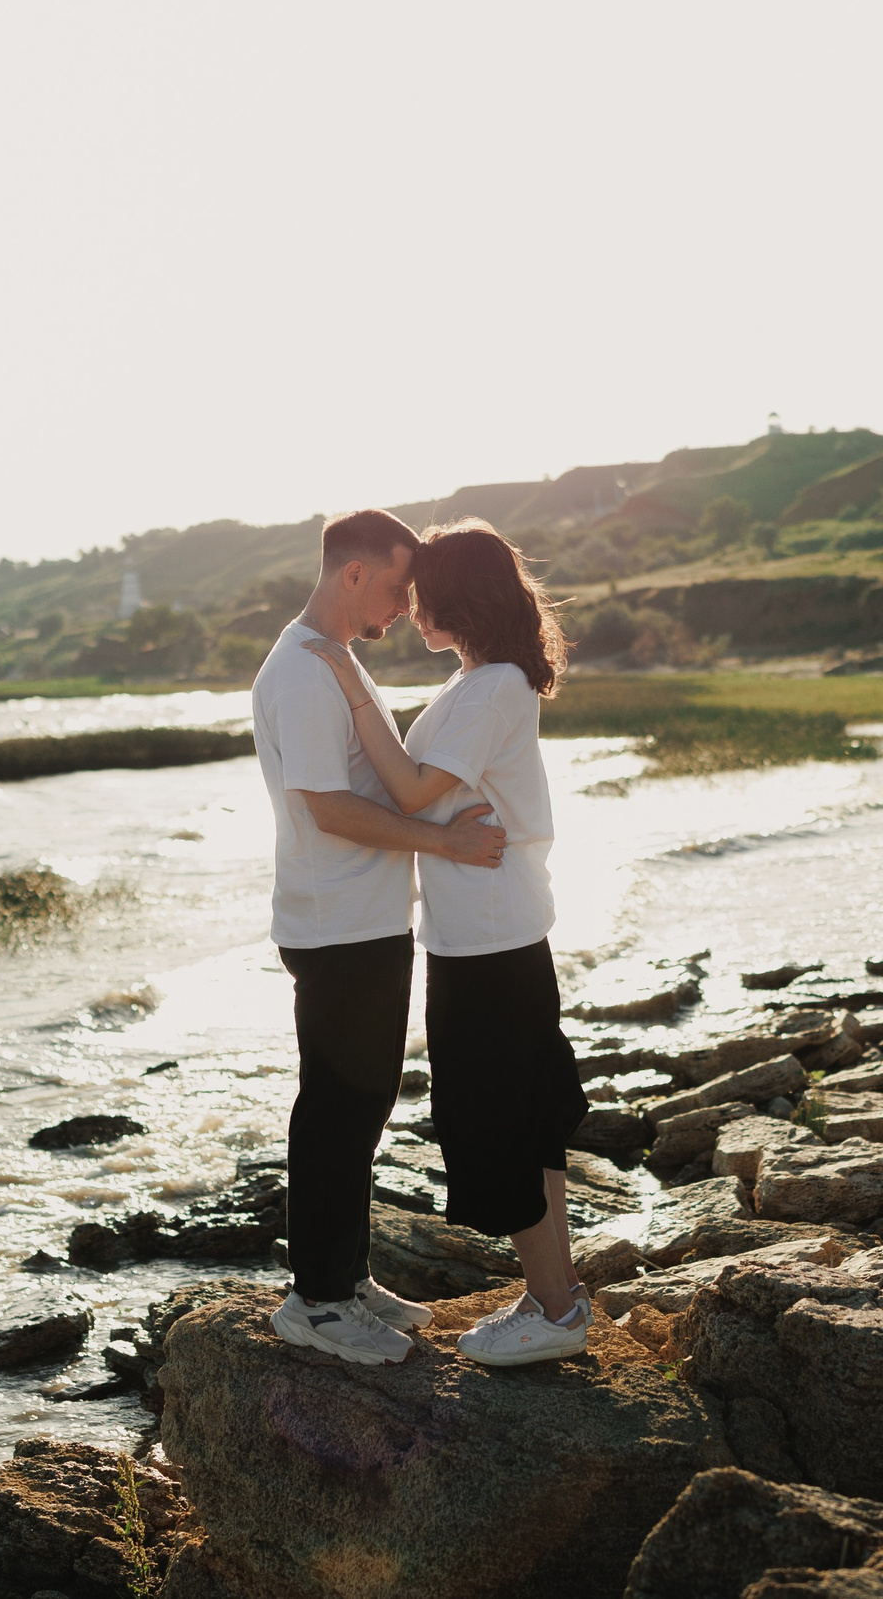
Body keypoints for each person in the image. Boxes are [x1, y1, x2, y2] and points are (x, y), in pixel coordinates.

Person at [304, 518, 589, 1366]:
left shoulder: (493, 686)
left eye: (422, 593)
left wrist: (352, 689)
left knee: (502, 1124)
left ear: (457, 598)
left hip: (490, 944)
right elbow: (424, 795)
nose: (410, 606)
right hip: (487, 937)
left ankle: (555, 1311)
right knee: (523, 1121)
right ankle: (557, 1303)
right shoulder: (477, 683)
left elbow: (413, 786)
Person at [251, 508, 511, 1365]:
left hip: (363, 919)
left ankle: (344, 1278)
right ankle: (316, 1303)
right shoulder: (302, 670)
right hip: (335, 924)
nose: (407, 604)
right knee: (335, 1108)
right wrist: (446, 843)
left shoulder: (335, 660)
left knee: (360, 1106)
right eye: (399, 586)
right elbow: (327, 806)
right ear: (353, 573)